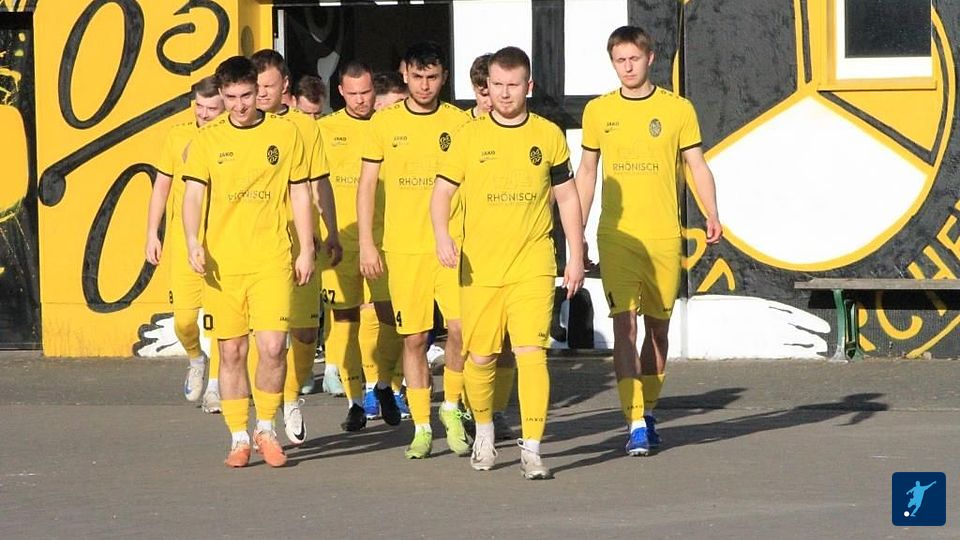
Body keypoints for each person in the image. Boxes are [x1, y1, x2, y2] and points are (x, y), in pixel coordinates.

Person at [432, 46, 584, 479]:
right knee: (481, 358)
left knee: (531, 354)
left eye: (512, 85)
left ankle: (532, 449)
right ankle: (483, 431)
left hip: (532, 263)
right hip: (480, 268)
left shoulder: (548, 136)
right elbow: (441, 193)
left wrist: (576, 254)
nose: (503, 93)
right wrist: (443, 235)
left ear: (528, 86)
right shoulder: (468, 136)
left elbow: (567, 197)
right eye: (496, 84)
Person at [574, 25, 722, 456]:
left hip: (663, 235)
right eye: (619, 60)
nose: (627, 67)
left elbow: (696, 164)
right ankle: (635, 420)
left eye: (633, 59)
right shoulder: (599, 111)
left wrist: (712, 212)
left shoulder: (677, 109)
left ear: (649, 58)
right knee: (625, 324)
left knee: (658, 329)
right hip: (617, 236)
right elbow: (587, 173)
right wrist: (576, 233)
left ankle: (649, 409)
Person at [181, 55, 316, 468]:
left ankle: (266, 429)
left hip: (271, 258)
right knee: (232, 351)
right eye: (231, 97)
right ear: (222, 95)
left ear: (259, 91)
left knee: (273, 347)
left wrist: (306, 247)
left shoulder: (285, 134)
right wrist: (193, 239)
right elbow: (193, 195)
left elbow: (299, 191)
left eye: (246, 95)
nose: (239, 105)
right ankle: (238, 436)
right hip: (223, 264)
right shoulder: (208, 140)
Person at [358, 41, 471, 459]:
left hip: (451, 246)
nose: (425, 85)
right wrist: (367, 243)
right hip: (404, 248)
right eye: (418, 76)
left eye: (433, 77)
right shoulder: (384, 123)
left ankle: (452, 407)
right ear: (404, 73)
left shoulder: (460, 123)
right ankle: (422, 426)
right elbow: (367, 185)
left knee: (461, 329)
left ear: (444, 78)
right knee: (415, 338)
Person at [250, 49, 341, 446]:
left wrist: (331, 230)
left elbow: (319, 182)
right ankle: (267, 414)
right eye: (255, 86)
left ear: (285, 85)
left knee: (304, 333)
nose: (260, 94)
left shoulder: (304, 127)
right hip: (258, 247)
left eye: (268, 86)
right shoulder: (239, 128)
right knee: (266, 338)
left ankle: (292, 397)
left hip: (302, 242)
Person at [316, 60, 405, 431]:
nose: (359, 100)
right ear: (340, 92)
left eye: (366, 92)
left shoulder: (390, 126)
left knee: (390, 318)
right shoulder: (324, 130)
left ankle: (385, 385)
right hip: (338, 242)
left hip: (385, 240)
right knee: (346, 322)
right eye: (352, 93)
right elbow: (313, 184)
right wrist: (321, 232)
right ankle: (356, 401)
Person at [144, 76, 224, 412]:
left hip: (222, 242)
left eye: (211, 108)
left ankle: (216, 387)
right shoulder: (177, 136)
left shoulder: (230, 138)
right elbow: (162, 186)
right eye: (199, 106)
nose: (203, 114)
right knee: (185, 321)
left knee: (221, 321)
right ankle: (196, 359)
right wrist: (153, 232)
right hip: (183, 243)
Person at [463, 51, 515, 441]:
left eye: (493, 91)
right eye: (484, 93)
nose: (490, 100)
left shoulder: (520, 129)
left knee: (509, 340)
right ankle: (469, 407)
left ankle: (496, 411)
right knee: (473, 340)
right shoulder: (463, 133)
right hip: (470, 254)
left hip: (513, 251)